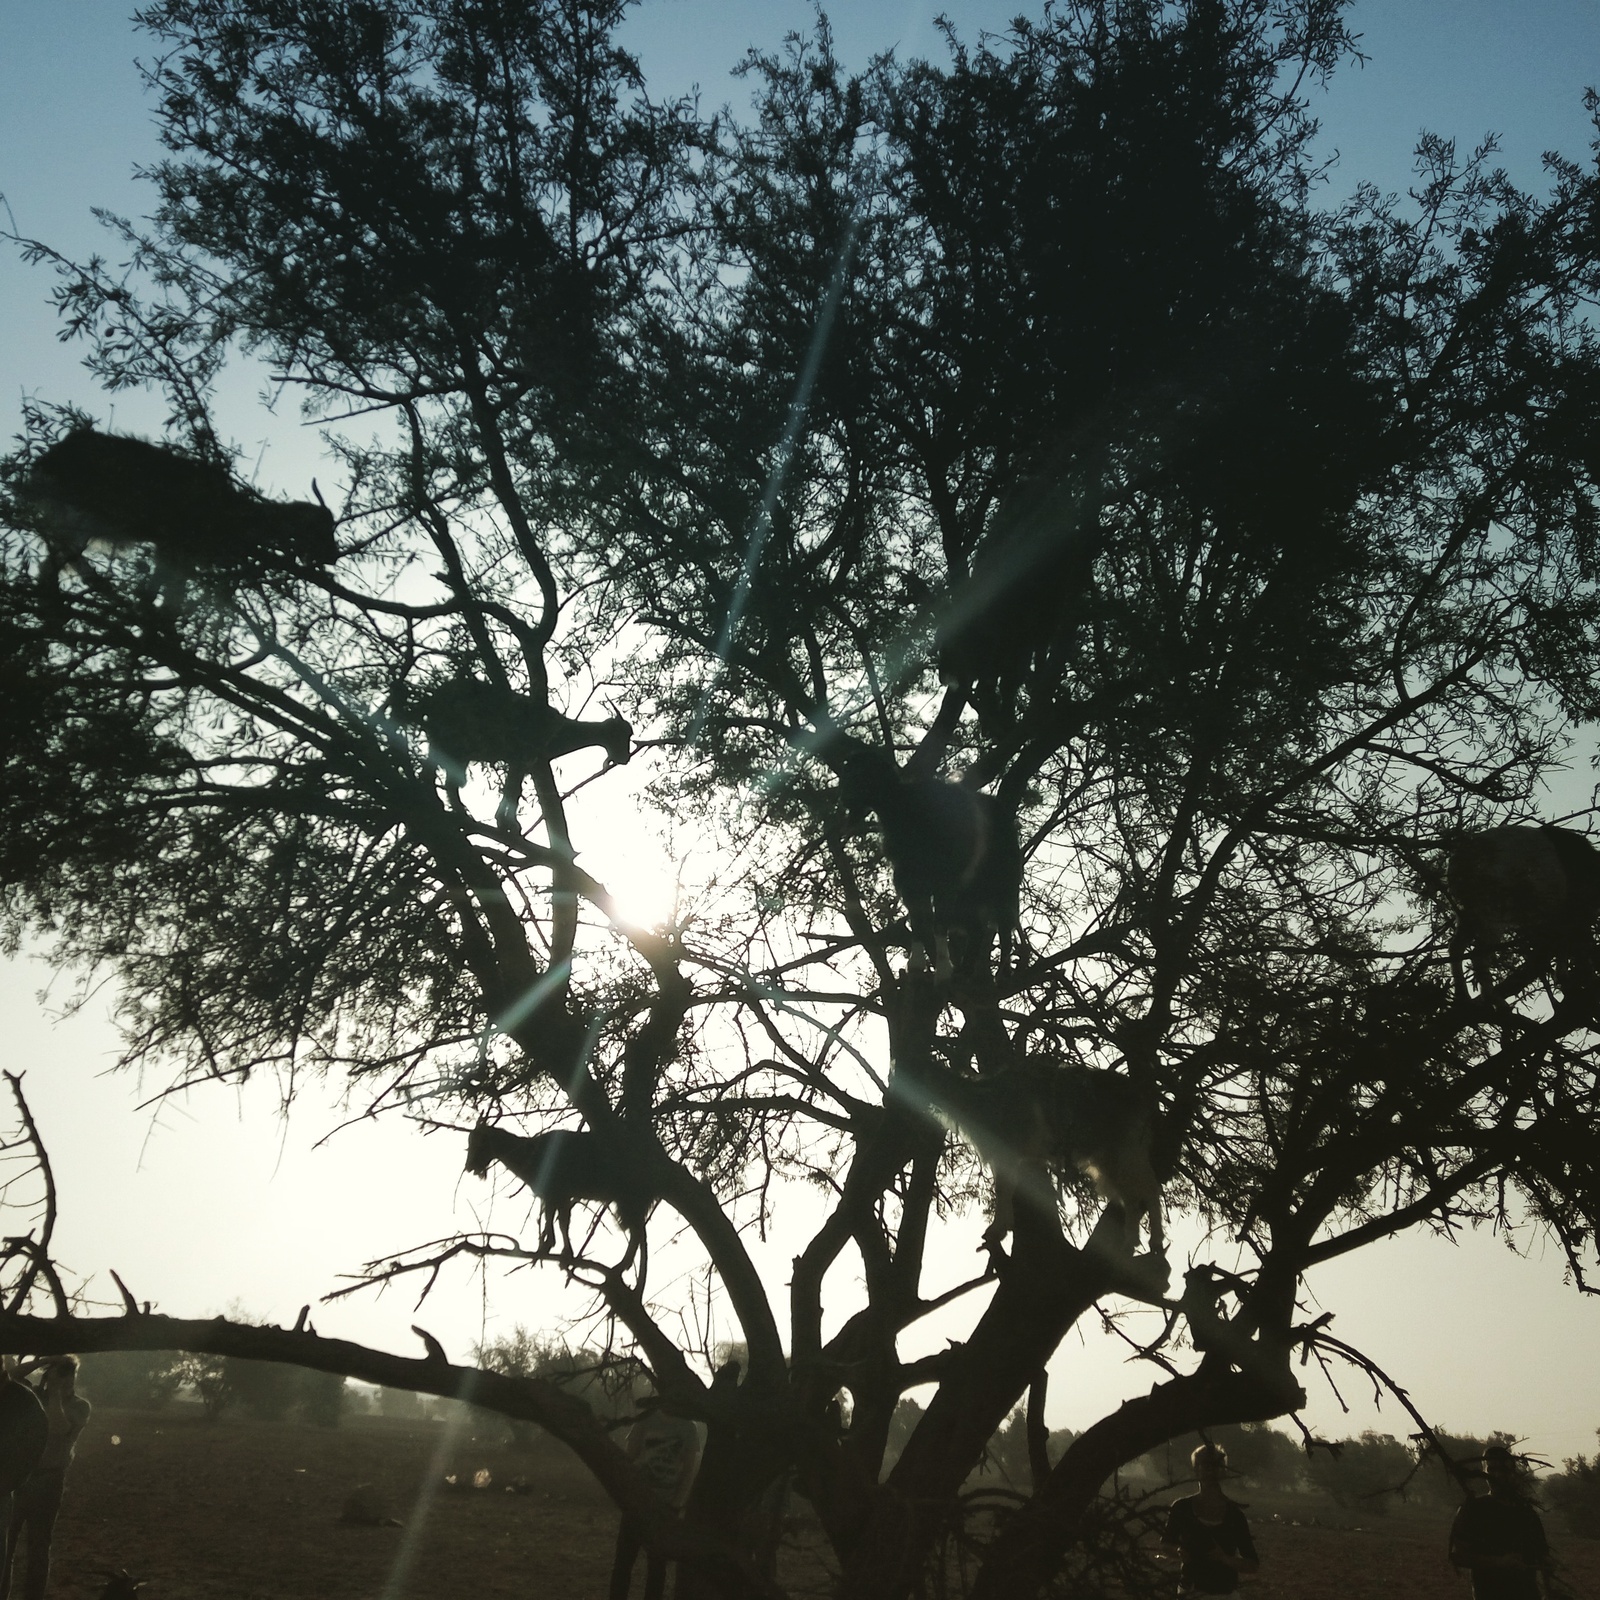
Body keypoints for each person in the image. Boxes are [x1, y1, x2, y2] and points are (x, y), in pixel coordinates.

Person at [1, 1356, 91, 1600]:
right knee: (6, 1547)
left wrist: (54, 1393)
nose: (67, 1381)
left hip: (50, 1481)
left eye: (69, 1376)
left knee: (38, 1548)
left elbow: (57, 1427)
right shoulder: (31, 1396)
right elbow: (10, 1378)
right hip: (21, 1480)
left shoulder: (80, 1406)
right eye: (62, 1375)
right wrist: (46, 1361)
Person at [609, 1398, 702, 1600]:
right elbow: (629, 1457)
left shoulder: (688, 1428)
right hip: (637, 1501)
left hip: (665, 1505)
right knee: (624, 1562)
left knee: (657, 1566)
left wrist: (676, 1504)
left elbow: (688, 1471)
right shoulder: (645, 1421)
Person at [1449, 1444, 1551, 1600]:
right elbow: (1458, 1556)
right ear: (1483, 1472)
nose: (1497, 1475)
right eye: (1491, 1470)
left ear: (1513, 1473)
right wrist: (1499, 1563)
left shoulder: (1527, 1513)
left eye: (1503, 1469)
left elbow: (1543, 1557)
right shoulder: (1474, 1509)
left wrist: (1548, 1580)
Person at [1160, 1442, 1260, 1597]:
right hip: (1190, 1592)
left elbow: (1252, 1565)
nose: (1210, 1470)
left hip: (1224, 1594)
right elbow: (1166, 1544)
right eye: (1205, 1465)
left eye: (1215, 1465)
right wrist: (1179, 1552)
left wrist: (1224, 1558)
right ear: (1196, 1470)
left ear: (1223, 1471)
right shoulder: (1181, 1508)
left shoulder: (1234, 1516)